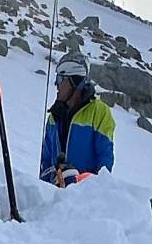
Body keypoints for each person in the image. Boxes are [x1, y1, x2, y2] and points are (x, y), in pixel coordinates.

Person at [40, 55, 116, 186]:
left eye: (60, 79)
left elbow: (104, 165)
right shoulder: (54, 116)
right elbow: (46, 162)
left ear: (74, 82)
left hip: (83, 200)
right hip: (55, 197)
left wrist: (79, 183)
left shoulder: (99, 112)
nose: (56, 84)